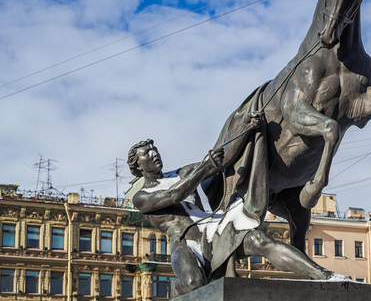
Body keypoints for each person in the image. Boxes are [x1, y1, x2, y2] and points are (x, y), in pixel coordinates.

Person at [128, 115, 344, 297]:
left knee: (259, 239)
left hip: (212, 228)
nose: (154, 154)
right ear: (138, 165)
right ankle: (177, 293)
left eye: (154, 149)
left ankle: (326, 276)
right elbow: (175, 194)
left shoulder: (182, 172)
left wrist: (246, 129)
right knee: (194, 282)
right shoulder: (142, 197)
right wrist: (203, 168)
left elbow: (224, 159)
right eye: (147, 153)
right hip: (185, 243)